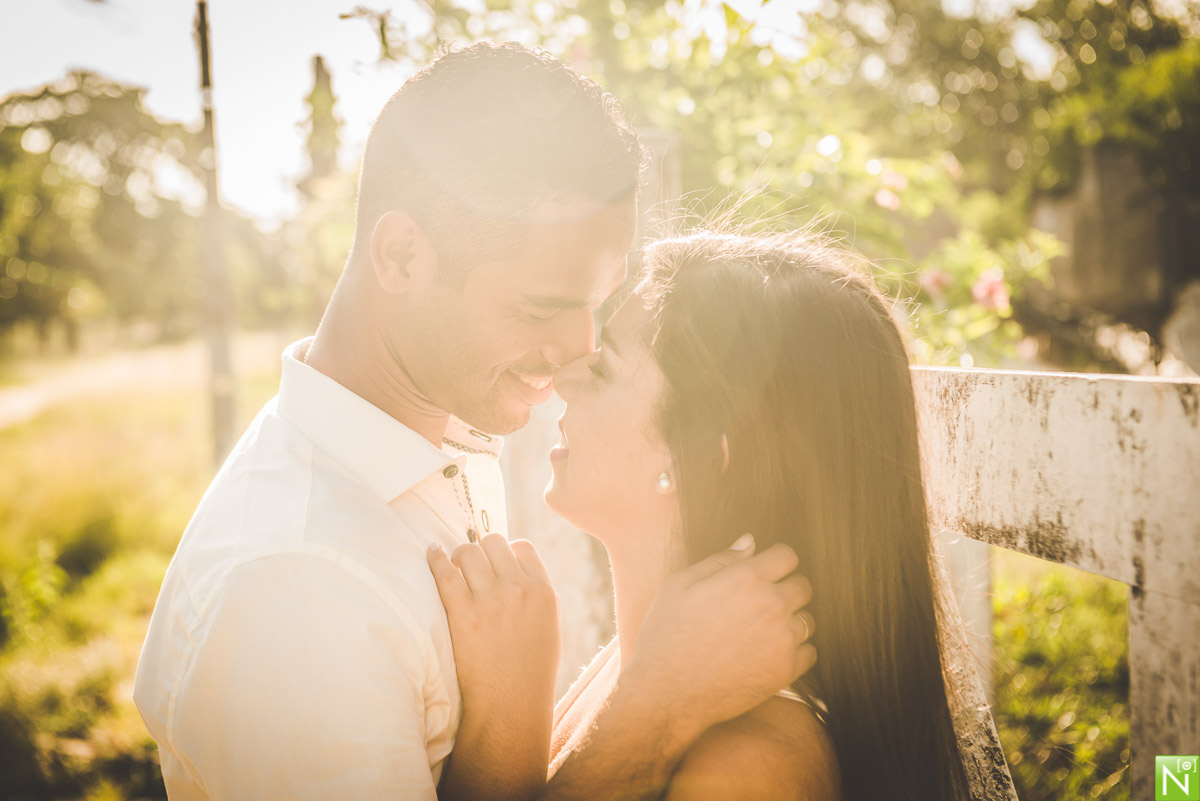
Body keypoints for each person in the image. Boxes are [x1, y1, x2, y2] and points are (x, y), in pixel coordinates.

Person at [133, 43, 817, 801]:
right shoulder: (298, 589)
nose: (581, 349)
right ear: (400, 256)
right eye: (541, 307)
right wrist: (653, 708)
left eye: (599, 301)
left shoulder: (434, 439)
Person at [431, 227, 982, 800]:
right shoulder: (649, 660)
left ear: (699, 456)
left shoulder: (755, 768)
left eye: (603, 370)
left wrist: (517, 722)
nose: (564, 378)